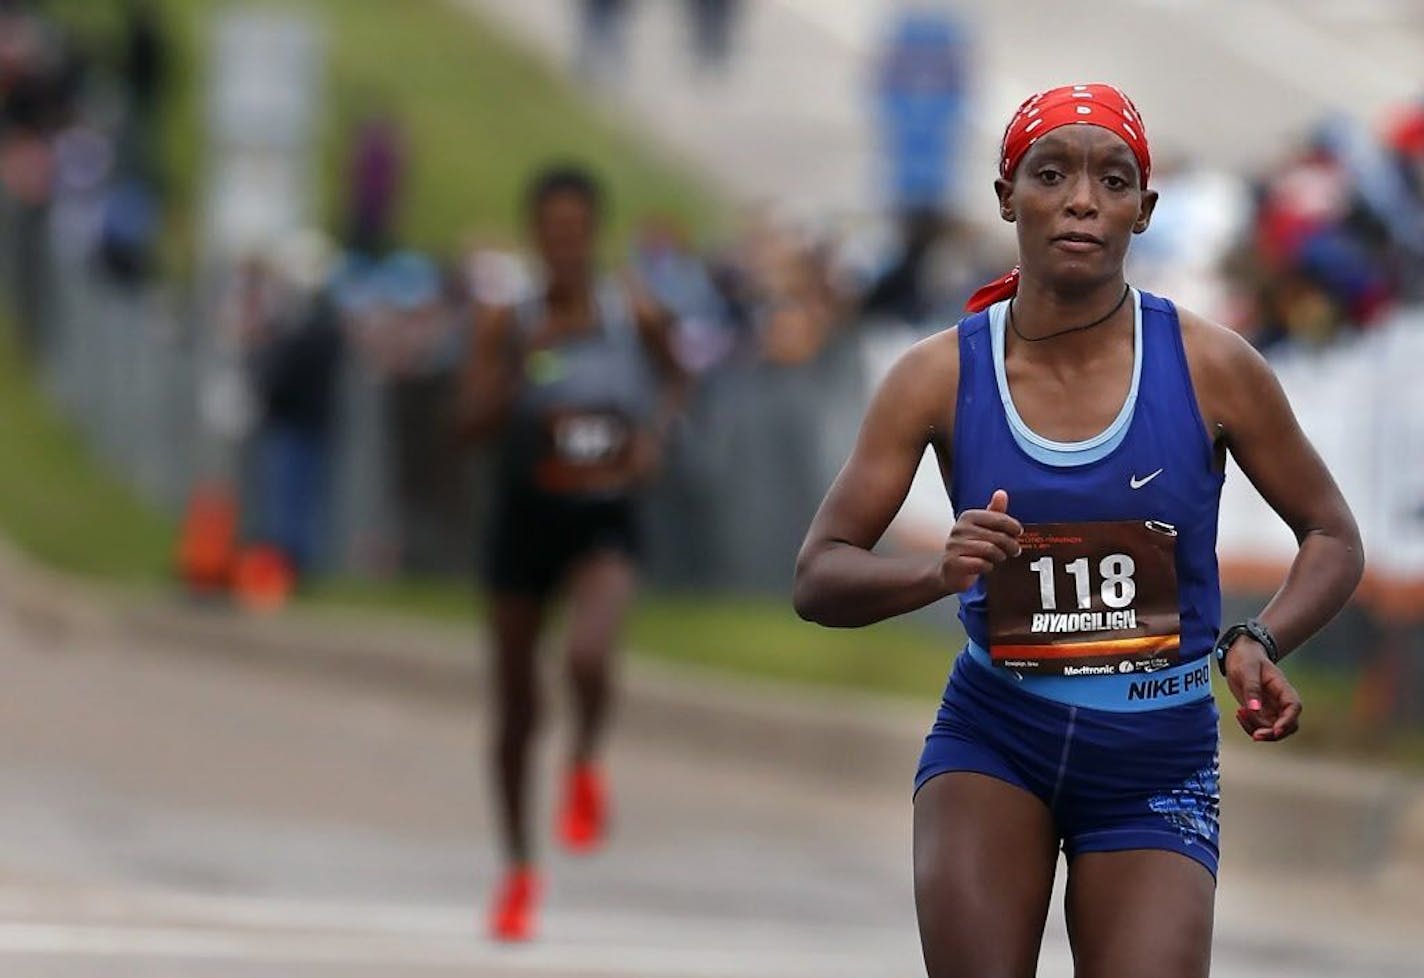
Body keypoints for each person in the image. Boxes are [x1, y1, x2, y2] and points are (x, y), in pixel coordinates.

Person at [793, 84, 1364, 977]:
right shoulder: (936, 375)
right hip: (994, 741)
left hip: (1157, 759)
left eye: (1114, 179)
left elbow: (1331, 535)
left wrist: (1261, 639)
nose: (1083, 200)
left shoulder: (1212, 367)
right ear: (1006, 197)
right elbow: (818, 576)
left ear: (1146, 209)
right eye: (1051, 174)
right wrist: (935, 575)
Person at [458, 165, 685, 942]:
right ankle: (518, 869)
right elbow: (464, 426)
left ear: (592, 233)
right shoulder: (507, 320)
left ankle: (586, 755)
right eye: (548, 232)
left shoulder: (632, 312)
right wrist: (521, 368)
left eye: (575, 231)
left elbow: (679, 376)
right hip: (523, 521)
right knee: (516, 709)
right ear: (534, 236)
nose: (562, 246)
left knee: (588, 657)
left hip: (602, 517)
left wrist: (654, 437)